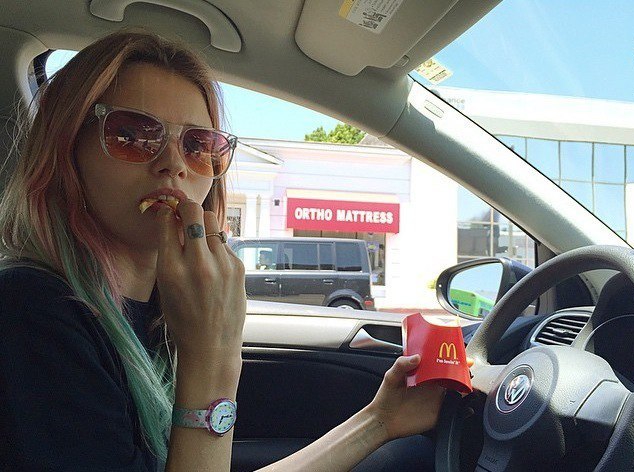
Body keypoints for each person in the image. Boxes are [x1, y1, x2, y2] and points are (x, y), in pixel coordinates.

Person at [0, 30, 460, 471]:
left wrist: (379, 422)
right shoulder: (32, 308)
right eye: (133, 135)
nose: (173, 164)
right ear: (66, 151)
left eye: (199, 145)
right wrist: (212, 358)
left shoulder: (151, 314)